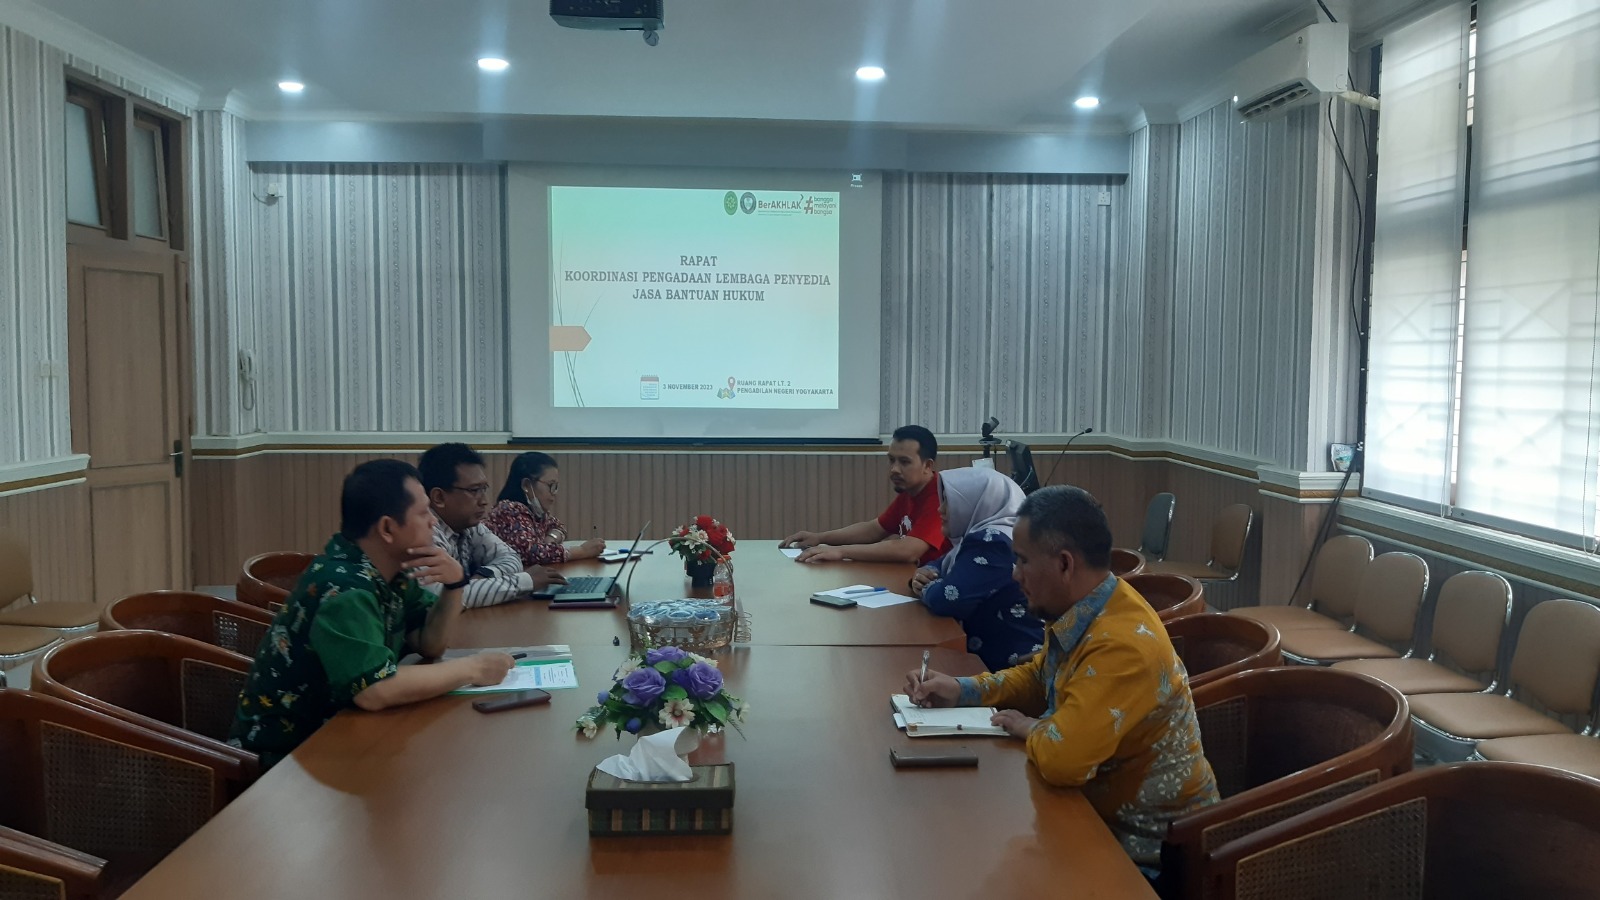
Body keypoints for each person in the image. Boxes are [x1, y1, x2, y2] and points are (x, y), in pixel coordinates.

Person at [906, 485, 1218, 868]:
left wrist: (1028, 728)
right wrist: (963, 689)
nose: (1014, 575)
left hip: (1147, 856)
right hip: (1089, 818)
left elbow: (1063, 761)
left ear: (1065, 564)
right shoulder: (1089, 605)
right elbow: (1041, 678)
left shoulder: (1121, 645)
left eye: (1021, 561)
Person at [229, 459, 515, 770]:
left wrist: (455, 584)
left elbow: (430, 643)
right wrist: (472, 669)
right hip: (287, 760)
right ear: (388, 528)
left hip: (339, 736)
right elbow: (375, 690)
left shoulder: (388, 571)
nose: (433, 521)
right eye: (423, 513)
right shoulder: (345, 588)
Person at [909, 467, 1045, 671]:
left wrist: (926, 586)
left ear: (976, 502)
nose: (940, 509)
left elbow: (946, 600)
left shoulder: (992, 542)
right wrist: (925, 573)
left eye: (948, 502)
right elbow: (942, 562)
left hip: (1012, 664)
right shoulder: (984, 534)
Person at [420, 443, 565, 608]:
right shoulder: (425, 534)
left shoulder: (469, 525)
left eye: (484, 489)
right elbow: (443, 599)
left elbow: (511, 558)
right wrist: (525, 581)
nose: (484, 501)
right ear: (439, 497)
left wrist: (484, 576)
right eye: (474, 490)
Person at [781, 425, 951, 565]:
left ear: (927, 466)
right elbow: (873, 530)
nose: (894, 469)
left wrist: (840, 551)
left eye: (904, 462)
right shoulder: (910, 491)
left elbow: (908, 551)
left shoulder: (940, 496)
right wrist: (819, 537)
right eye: (892, 460)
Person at [483, 451, 606, 566]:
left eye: (556, 487)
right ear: (526, 485)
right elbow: (531, 553)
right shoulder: (510, 510)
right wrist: (582, 551)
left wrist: (550, 540)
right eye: (551, 485)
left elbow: (558, 527)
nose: (554, 492)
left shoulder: (535, 512)